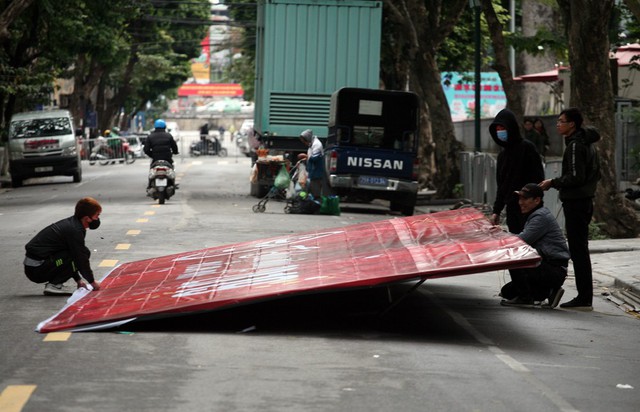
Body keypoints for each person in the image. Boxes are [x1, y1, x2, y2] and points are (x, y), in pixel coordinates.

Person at [539, 107, 601, 311]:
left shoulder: (576, 145)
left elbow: (576, 177)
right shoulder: (586, 144)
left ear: (572, 124)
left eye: (561, 121)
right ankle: (584, 296)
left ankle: (584, 298)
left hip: (577, 202)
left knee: (578, 250)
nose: (558, 124)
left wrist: (553, 182)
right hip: (583, 200)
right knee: (579, 248)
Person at [500, 184, 570, 308]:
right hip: (548, 267)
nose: (520, 203)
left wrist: (501, 236)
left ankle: (526, 298)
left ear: (537, 200)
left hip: (553, 269)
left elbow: (520, 241)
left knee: (515, 255)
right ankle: (549, 291)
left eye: (525, 199)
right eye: (519, 199)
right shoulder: (536, 214)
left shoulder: (540, 217)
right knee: (507, 292)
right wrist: (503, 233)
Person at [24, 197, 103, 296]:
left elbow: (72, 256)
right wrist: (92, 282)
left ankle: (56, 283)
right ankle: (54, 285)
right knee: (82, 253)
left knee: (79, 252)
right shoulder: (75, 230)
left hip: (38, 266)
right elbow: (80, 259)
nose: (97, 219)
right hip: (37, 269)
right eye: (97, 215)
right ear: (87, 218)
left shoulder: (74, 224)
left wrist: (78, 280)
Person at [489, 109, 545, 234]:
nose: (500, 132)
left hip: (529, 207)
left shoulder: (527, 148)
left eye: (502, 128)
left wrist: (532, 200)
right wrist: (496, 211)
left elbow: (538, 178)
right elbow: (502, 186)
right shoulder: (502, 155)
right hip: (512, 208)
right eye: (497, 130)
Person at [297, 129, 325, 199]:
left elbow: (314, 158)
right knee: (308, 191)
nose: (304, 143)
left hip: (316, 173)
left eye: (304, 141)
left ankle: (316, 207)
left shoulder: (317, 145)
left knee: (315, 193)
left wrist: (305, 156)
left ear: (307, 139)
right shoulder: (312, 144)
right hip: (312, 172)